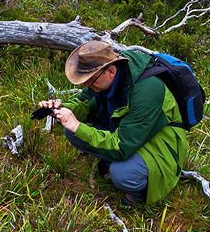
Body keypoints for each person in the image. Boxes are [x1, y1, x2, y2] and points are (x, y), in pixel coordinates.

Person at [38, 40, 187, 206]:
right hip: (132, 131)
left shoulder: (148, 90)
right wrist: (61, 109)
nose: (86, 85)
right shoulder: (107, 77)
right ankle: (113, 160)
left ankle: (140, 192)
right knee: (71, 131)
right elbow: (83, 102)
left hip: (160, 141)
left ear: (110, 71)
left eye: (90, 80)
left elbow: (123, 146)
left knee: (121, 173)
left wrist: (79, 127)